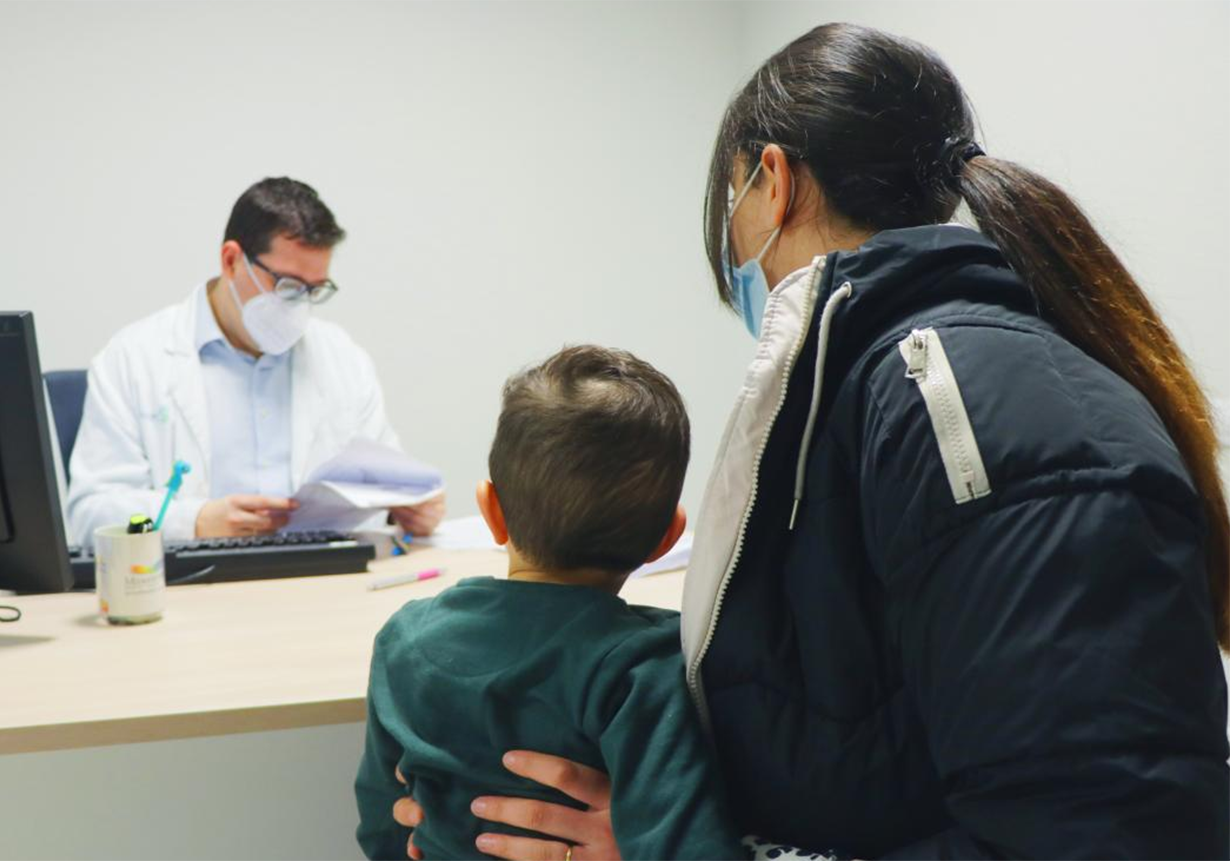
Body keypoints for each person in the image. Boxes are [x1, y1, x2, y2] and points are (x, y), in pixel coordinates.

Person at [391, 23, 1230, 860]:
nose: (729, 241)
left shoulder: (977, 411)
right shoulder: (862, 389)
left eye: (730, 202)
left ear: (774, 181)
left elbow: (1101, 833)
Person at [357, 345, 752, 861]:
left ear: (491, 511)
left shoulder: (403, 639)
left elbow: (383, 826)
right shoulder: (647, 668)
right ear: (667, 537)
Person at [66, 177, 445, 545]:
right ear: (231, 261)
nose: (299, 305)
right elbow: (91, 513)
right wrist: (195, 521)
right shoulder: (134, 358)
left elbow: (385, 482)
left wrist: (409, 510)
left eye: (313, 290)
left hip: (320, 580)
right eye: (288, 285)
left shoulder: (342, 358)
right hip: (193, 587)